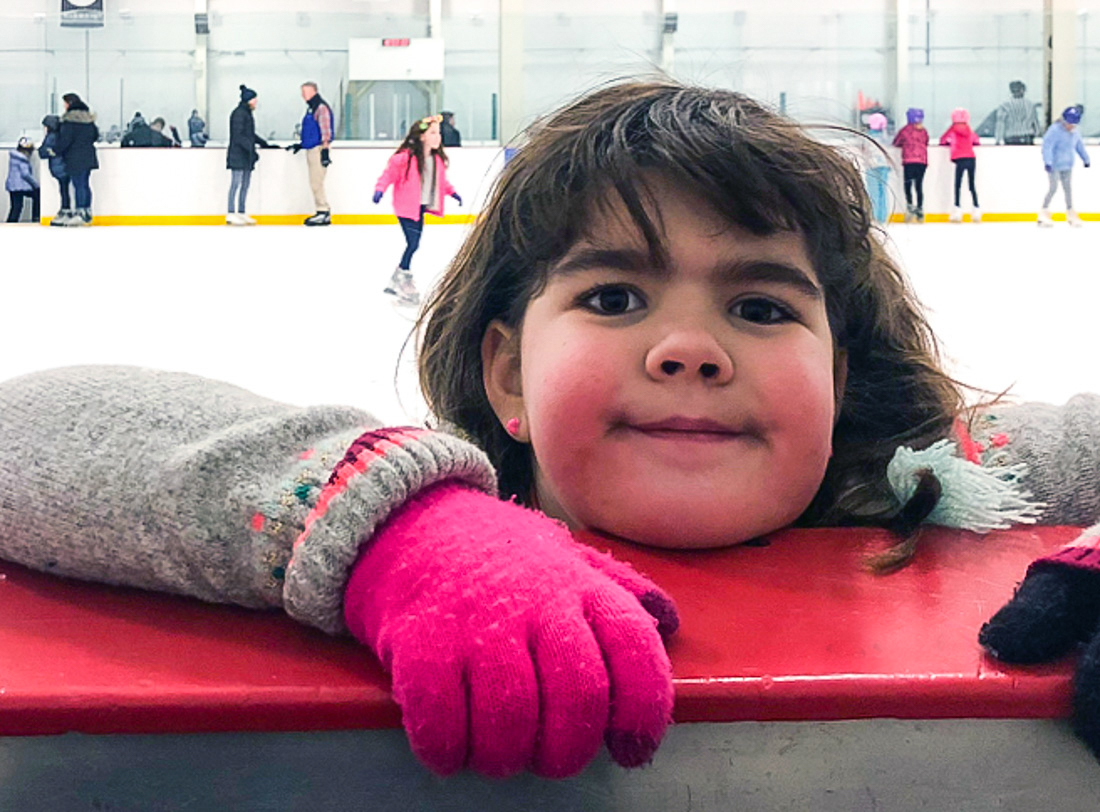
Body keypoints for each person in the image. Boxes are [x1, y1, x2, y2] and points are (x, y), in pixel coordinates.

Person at [5, 80, 1100, 780]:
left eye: (762, 308)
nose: (690, 350)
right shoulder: (433, 525)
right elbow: (31, 427)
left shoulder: (942, 483)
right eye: (614, 298)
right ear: (507, 372)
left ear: (837, 372)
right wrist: (394, 534)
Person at [372, 114, 462, 305]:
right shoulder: (405, 158)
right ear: (422, 137)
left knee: (414, 244)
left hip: (420, 208)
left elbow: (441, 182)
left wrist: (453, 193)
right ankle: (403, 276)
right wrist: (380, 190)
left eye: (438, 133)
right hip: (406, 208)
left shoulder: (436, 160)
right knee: (412, 243)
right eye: (433, 133)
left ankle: (398, 277)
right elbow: (388, 175)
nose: (438, 137)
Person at [286, 81, 334, 226]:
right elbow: (311, 131)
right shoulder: (311, 108)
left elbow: (325, 130)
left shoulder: (321, 108)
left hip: (318, 149)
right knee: (314, 182)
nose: (303, 95)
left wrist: (325, 151)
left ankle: (323, 211)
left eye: (305, 92)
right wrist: (301, 144)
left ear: (314, 91)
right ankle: (322, 210)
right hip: (312, 148)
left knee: (316, 182)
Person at [226, 85, 272, 225]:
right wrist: (251, 149)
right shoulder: (239, 114)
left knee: (245, 184)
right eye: (254, 99)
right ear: (248, 100)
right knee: (236, 183)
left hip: (246, 155)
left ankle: (241, 211)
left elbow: (250, 134)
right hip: (238, 154)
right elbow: (238, 136)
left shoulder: (247, 113)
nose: (256, 102)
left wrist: (264, 144)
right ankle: (231, 212)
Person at [1038, 105, 1090, 228]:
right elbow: (1047, 147)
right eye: (1069, 124)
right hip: (1054, 165)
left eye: (1074, 124)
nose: (1071, 127)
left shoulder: (1075, 133)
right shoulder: (1054, 130)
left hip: (1068, 165)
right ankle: (1044, 211)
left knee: (1068, 189)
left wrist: (1086, 159)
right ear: (1064, 121)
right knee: (1053, 188)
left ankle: (1070, 213)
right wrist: (1048, 162)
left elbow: (1079, 146)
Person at [52, 92, 98, 226]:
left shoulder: (69, 121)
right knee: (84, 184)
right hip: (88, 156)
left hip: (75, 157)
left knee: (78, 185)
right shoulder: (89, 120)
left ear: (70, 104)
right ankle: (86, 212)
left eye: (65, 104)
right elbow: (95, 136)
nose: (64, 106)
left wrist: (55, 150)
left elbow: (65, 140)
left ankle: (80, 212)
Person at [939, 107, 981, 223]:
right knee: (971, 185)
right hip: (971, 158)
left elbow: (943, 140)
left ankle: (957, 210)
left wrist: (948, 143)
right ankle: (976, 209)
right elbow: (976, 140)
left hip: (960, 158)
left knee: (958, 185)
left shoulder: (953, 129)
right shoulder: (968, 129)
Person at [893, 107, 929, 223]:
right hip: (922, 161)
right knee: (919, 186)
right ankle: (920, 208)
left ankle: (909, 206)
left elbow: (896, 142)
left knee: (908, 185)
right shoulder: (923, 131)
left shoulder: (905, 130)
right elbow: (926, 142)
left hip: (909, 161)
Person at [39, 115, 71, 226]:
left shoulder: (51, 137)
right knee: (64, 189)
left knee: (64, 190)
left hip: (59, 167)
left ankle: (65, 209)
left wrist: (45, 151)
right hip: (65, 166)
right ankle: (66, 209)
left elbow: (43, 152)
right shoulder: (62, 135)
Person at [862, 112, 891, 224]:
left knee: (873, 192)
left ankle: (874, 216)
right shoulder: (885, 137)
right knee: (883, 192)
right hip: (884, 166)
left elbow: (864, 150)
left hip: (871, 166)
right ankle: (883, 217)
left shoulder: (867, 137)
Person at [995, 80, 1041, 146]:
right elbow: (1035, 123)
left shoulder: (1005, 105)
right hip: (1028, 137)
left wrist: (998, 140)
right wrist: (1038, 134)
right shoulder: (1030, 105)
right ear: (1023, 90)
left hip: (1011, 137)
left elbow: (1000, 124)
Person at [5, 137, 40, 223]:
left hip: (13, 186)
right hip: (20, 187)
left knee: (16, 207)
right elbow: (26, 174)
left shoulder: (14, 157)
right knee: (37, 195)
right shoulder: (22, 159)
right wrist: (35, 184)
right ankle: (36, 217)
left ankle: (10, 223)